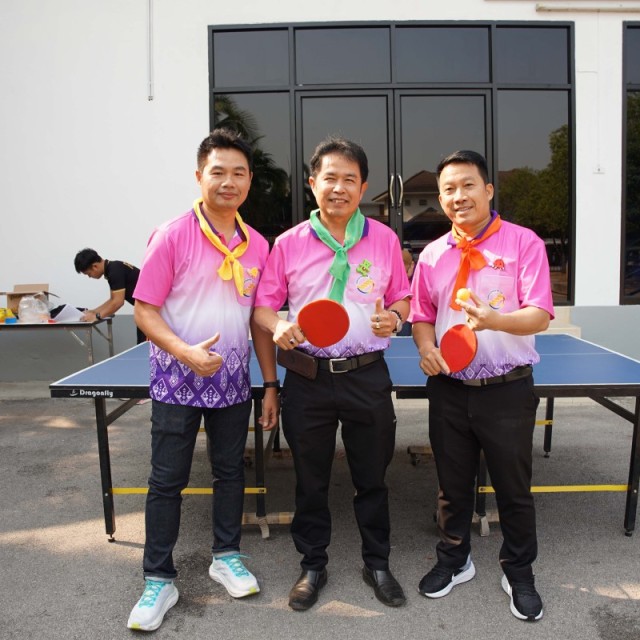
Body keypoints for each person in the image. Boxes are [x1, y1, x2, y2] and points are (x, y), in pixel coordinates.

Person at [126, 128, 279, 632]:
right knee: (166, 480)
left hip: (231, 382)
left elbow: (259, 320)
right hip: (176, 381)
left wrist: (270, 383)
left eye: (238, 173)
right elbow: (145, 310)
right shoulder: (171, 235)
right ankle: (158, 578)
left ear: (249, 181)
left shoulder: (258, 245)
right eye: (218, 172)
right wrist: (185, 352)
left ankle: (226, 556)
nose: (228, 181)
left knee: (230, 472)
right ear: (199, 177)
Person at [254, 136, 411, 611]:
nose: (339, 187)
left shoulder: (384, 239)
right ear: (312, 183)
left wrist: (396, 318)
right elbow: (262, 307)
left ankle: (377, 563)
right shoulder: (288, 244)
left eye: (349, 179)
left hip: (367, 375)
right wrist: (279, 324)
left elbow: (403, 297)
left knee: (372, 477)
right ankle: (312, 565)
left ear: (363, 187)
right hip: (308, 379)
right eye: (330, 178)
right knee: (310, 480)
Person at [408, 150, 554, 622]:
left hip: (507, 389)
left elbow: (540, 314)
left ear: (488, 190)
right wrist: (425, 347)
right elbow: (421, 315)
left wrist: (496, 320)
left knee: (514, 489)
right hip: (449, 388)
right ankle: (454, 560)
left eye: (468, 185)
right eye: (448, 189)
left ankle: (519, 571)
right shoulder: (432, 255)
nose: (458, 196)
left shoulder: (524, 243)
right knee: (451, 487)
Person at [73, 248, 146, 343]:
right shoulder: (113, 268)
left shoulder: (114, 271)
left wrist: (96, 317)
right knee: (142, 345)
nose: (89, 277)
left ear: (95, 266)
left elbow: (118, 302)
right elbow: (113, 300)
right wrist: (93, 311)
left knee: (145, 346)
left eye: (88, 273)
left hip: (151, 311)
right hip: (145, 310)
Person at [396, 248, 415, 336]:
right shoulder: (393, 281)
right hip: (400, 317)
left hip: (415, 318)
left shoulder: (417, 280)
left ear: (412, 265)